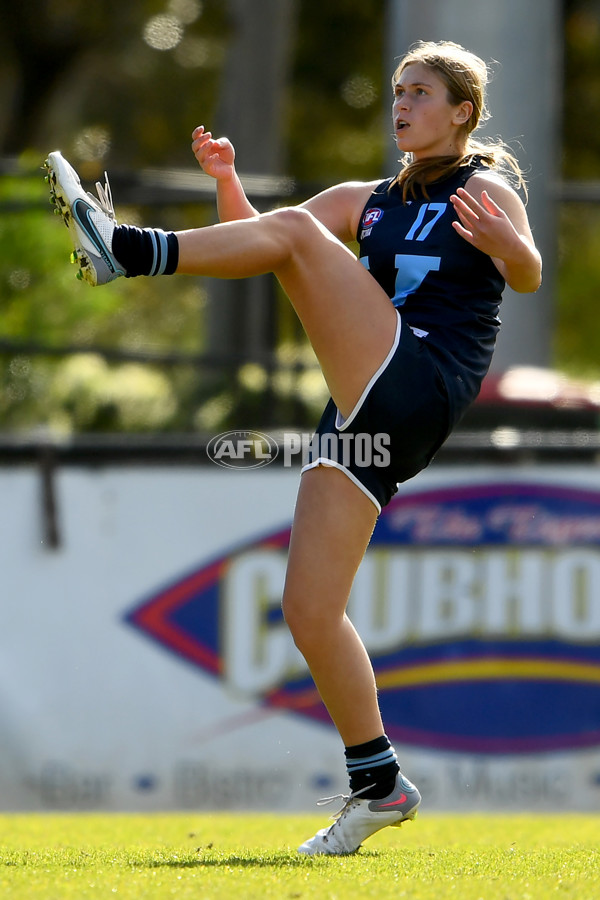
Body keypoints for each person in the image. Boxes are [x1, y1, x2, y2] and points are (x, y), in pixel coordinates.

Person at [45, 40, 542, 855]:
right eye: (397, 91)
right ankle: (378, 783)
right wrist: (226, 185)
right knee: (310, 611)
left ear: (463, 112)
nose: (402, 104)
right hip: (363, 411)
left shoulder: (482, 190)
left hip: (419, 383)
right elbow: (269, 246)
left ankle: (126, 250)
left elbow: (526, 277)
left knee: (302, 239)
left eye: (421, 93)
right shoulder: (367, 197)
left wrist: (512, 245)